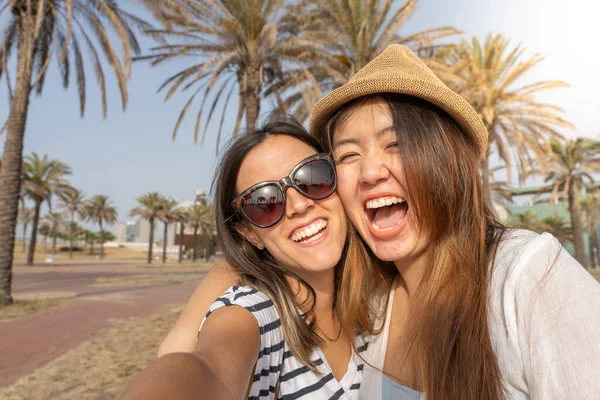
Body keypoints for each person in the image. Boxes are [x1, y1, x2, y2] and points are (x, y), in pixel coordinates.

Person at [154, 45, 600, 400]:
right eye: (348, 155)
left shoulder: (524, 277)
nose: (370, 172)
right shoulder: (372, 299)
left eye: (396, 145)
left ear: (448, 160)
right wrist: (182, 341)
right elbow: (210, 366)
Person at [122, 114, 392, 400]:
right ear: (249, 233)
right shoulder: (256, 313)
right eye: (264, 202)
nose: (299, 205)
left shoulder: (377, 298)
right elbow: (208, 366)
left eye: (312, 177)